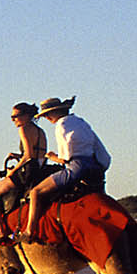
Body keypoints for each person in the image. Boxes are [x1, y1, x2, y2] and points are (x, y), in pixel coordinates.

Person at [23, 96, 111, 236]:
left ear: (53, 113)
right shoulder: (81, 122)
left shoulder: (61, 125)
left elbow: (65, 159)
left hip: (77, 170)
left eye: (46, 115)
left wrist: (51, 157)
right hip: (95, 170)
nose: (46, 118)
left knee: (35, 193)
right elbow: (100, 152)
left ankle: (29, 231)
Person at [0, 103, 51, 243]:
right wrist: (16, 156)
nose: (13, 120)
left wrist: (12, 171)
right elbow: (38, 155)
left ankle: (0, 231)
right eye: (11, 117)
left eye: (16, 116)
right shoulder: (40, 131)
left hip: (28, 171)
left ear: (26, 116)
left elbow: (28, 155)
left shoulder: (24, 129)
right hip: (40, 168)